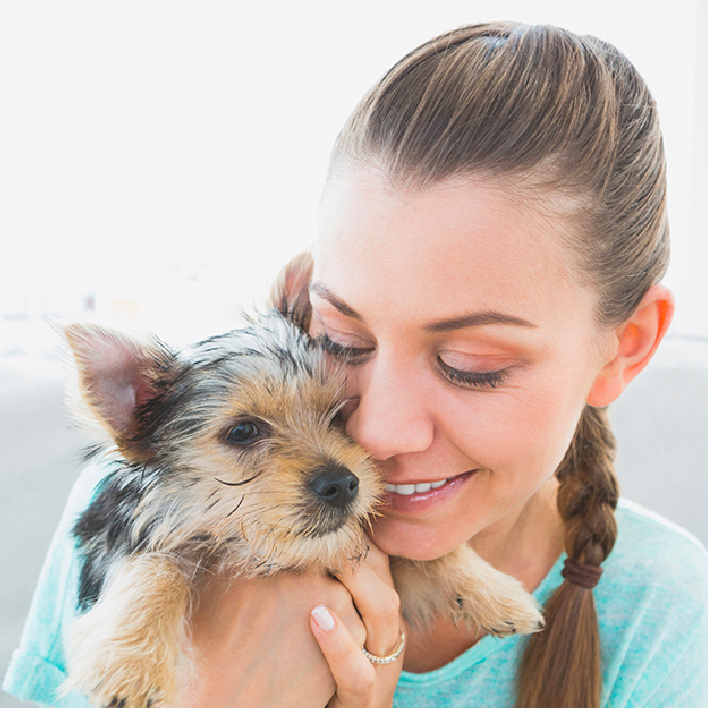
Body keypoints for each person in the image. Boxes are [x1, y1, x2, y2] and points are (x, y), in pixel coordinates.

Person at [5, 21, 708, 708]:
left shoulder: (665, 620)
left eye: (471, 364)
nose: (370, 435)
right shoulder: (124, 504)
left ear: (628, 344)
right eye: (340, 341)